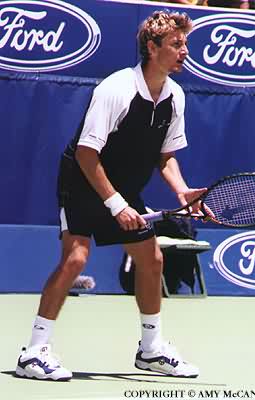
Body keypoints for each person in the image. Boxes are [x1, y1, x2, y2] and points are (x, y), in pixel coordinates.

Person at [15, 10, 207, 381]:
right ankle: (33, 352)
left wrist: (182, 191)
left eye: (185, 43)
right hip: (83, 180)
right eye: (176, 44)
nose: (185, 51)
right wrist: (115, 204)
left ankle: (151, 350)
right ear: (152, 48)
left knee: (151, 260)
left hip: (125, 185)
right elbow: (88, 154)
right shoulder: (115, 89)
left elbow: (164, 155)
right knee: (75, 258)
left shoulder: (175, 96)